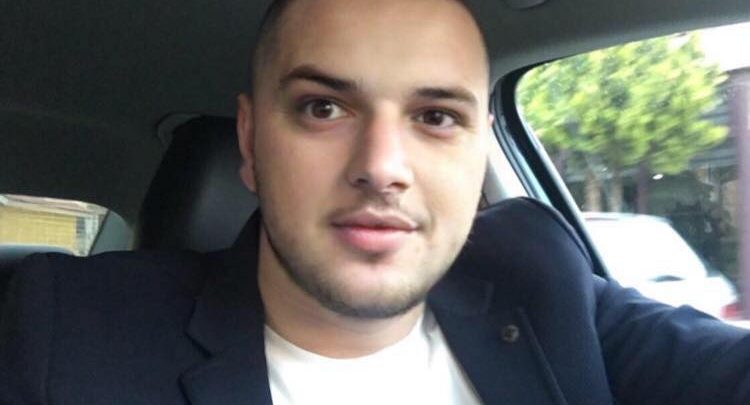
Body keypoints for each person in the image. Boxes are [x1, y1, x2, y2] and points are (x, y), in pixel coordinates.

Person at [1, 0, 749, 404]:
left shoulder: (541, 278)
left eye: (436, 116)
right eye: (324, 108)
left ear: (477, 151)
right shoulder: (70, 335)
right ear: (251, 142)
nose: (383, 168)